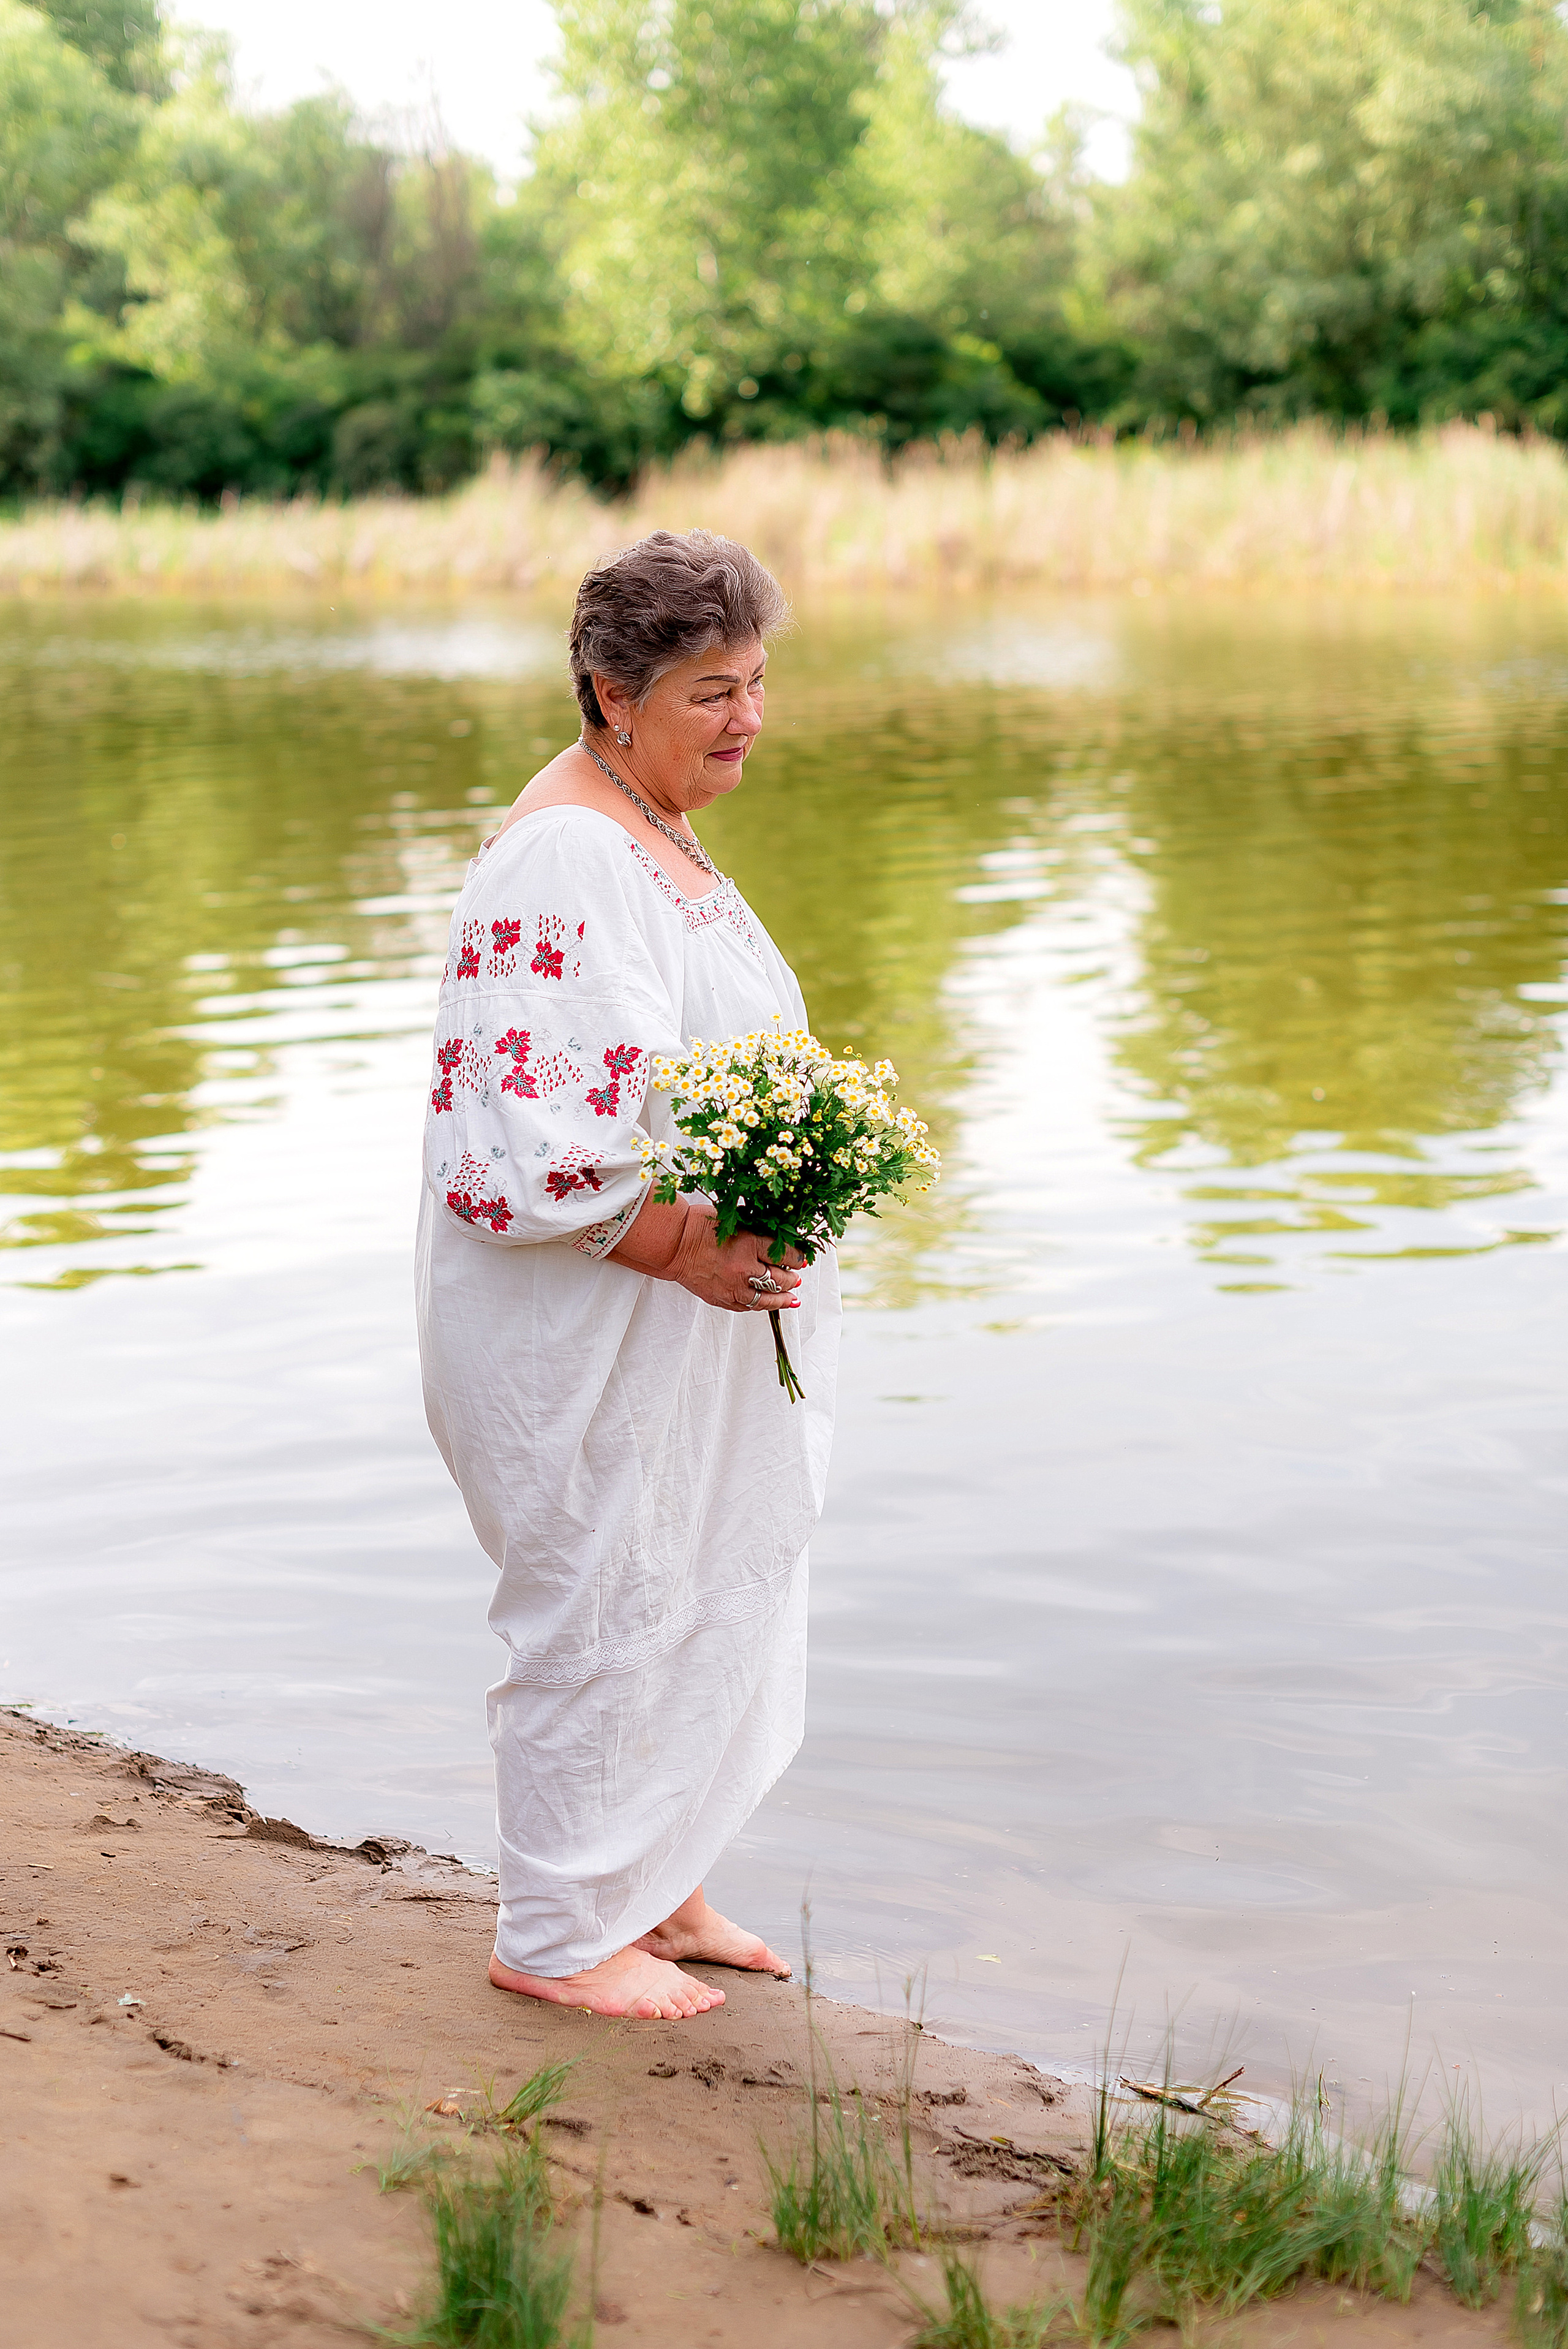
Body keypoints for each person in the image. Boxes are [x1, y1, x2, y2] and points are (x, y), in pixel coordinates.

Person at [415, 530, 840, 2023]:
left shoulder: (647, 817)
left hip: (671, 1301)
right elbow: (523, 1141)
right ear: (612, 693)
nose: (747, 718)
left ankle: (653, 1884)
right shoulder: (568, 848)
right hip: (582, 1307)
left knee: (693, 1572)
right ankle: (551, 1933)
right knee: (602, 1592)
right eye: (710, 691)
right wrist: (678, 1242)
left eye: (757, 684)